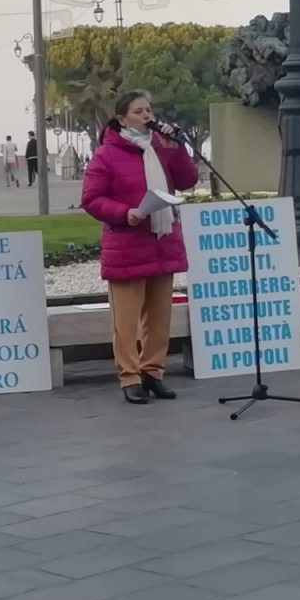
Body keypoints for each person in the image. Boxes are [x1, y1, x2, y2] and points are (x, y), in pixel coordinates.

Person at [81, 90, 198, 404]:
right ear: (122, 119)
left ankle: (153, 372)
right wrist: (124, 213)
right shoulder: (106, 154)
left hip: (163, 241)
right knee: (127, 319)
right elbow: (91, 199)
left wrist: (177, 149)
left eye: (149, 109)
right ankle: (129, 376)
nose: (147, 115)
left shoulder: (162, 147)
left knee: (159, 317)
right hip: (128, 243)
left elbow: (187, 180)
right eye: (139, 111)